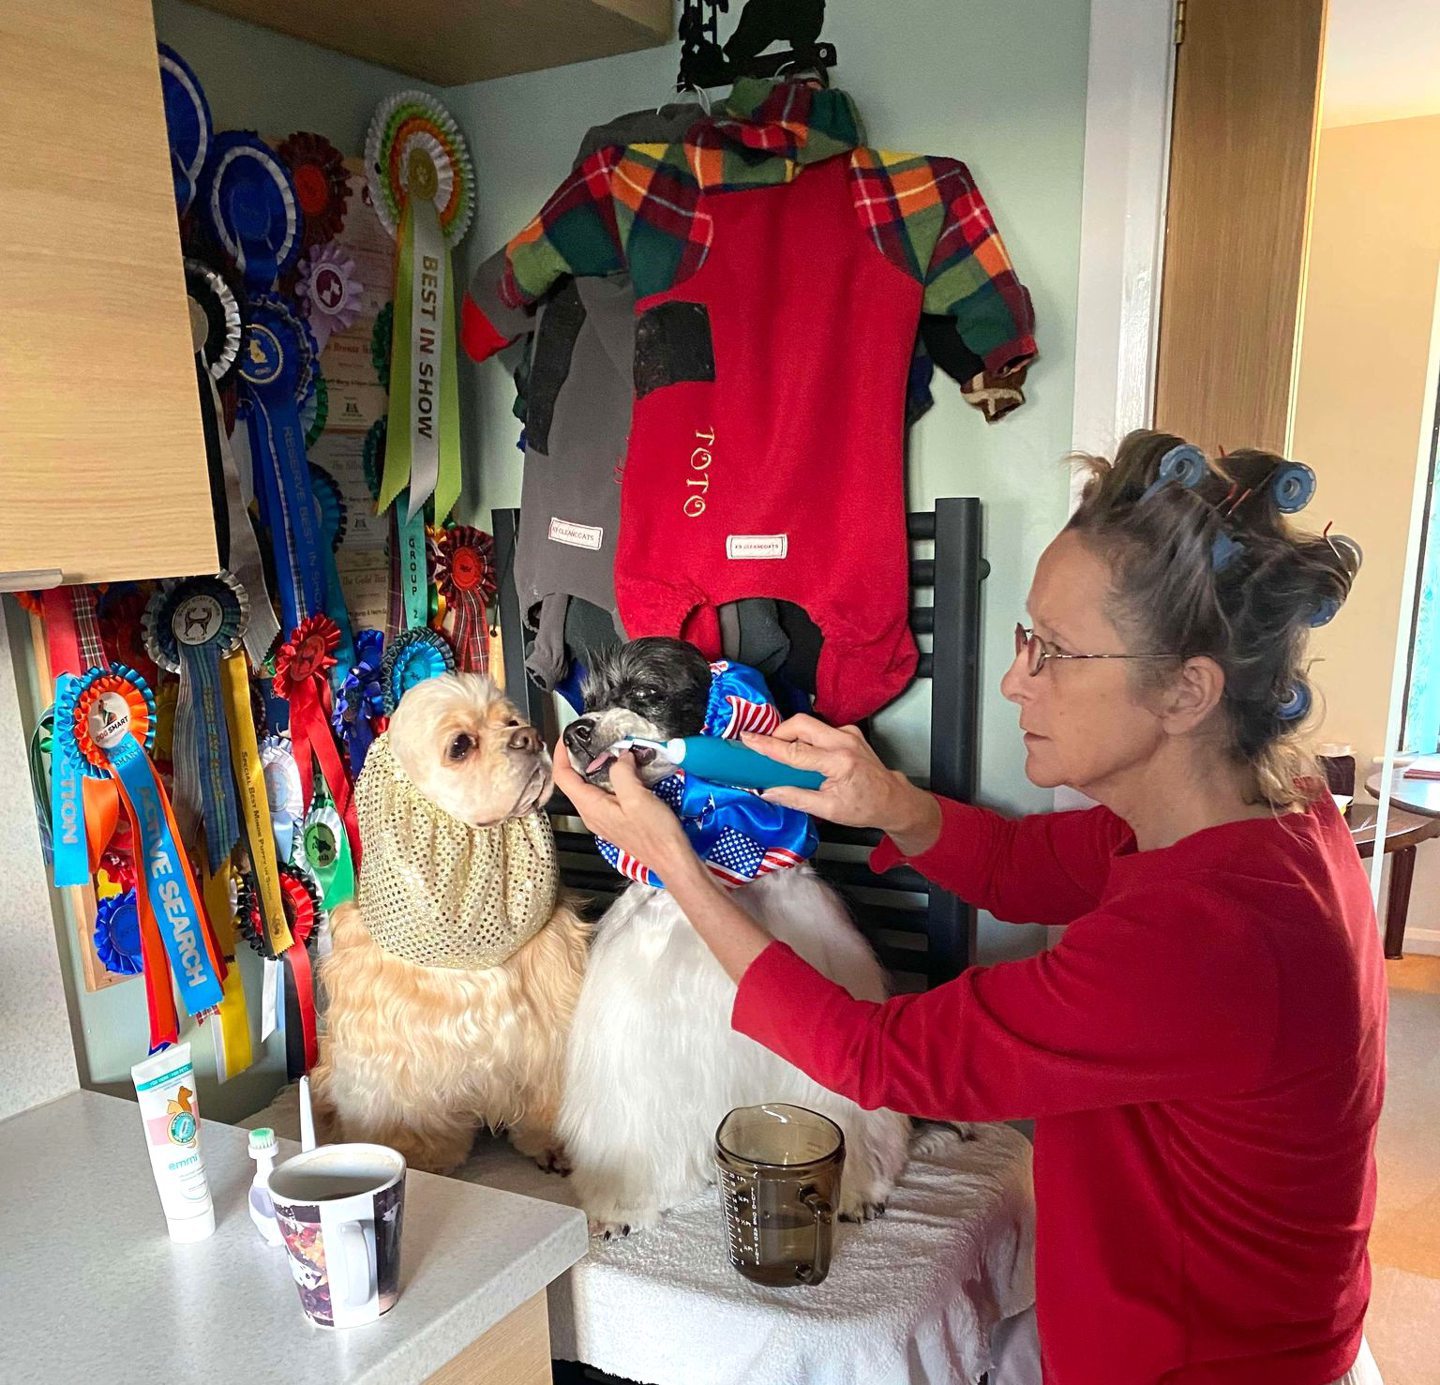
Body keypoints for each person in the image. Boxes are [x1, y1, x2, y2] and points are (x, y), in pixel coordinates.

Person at [553, 431, 1387, 1385]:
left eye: (1057, 653)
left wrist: (674, 864)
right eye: (1027, 639)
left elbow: (873, 1055)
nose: (1014, 679)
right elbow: (1029, 864)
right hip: (1214, 1323)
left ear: (1188, 690)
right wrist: (885, 802)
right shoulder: (1262, 814)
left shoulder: (1212, 937)